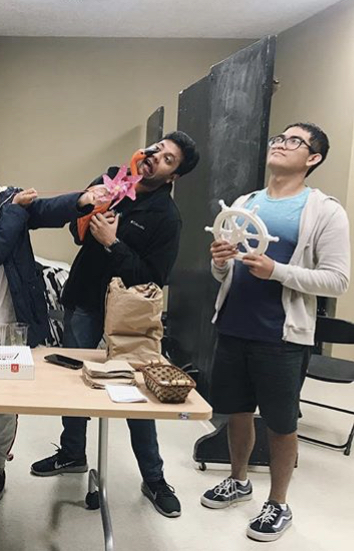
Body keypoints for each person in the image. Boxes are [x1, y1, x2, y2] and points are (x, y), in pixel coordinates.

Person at [30, 131, 200, 520]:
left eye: (168, 160)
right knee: (73, 384)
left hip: (130, 315)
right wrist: (92, 215)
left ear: (174, 176)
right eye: (157, 149)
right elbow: (75, 232)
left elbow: (155, 277)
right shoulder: (110, 179)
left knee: (137, 392)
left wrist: (113, 242)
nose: (156, 157)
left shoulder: (166, 217)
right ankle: (72, 453)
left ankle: (154, 478)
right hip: (85, 299)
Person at [203, 123, 349, 542]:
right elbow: (225, 272)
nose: (282, 145)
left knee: (282, 423)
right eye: (279, 139)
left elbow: (337, 280)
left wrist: (277, 272)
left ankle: (278, 503)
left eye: (294, 142)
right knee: (236, 411)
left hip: (282, 337)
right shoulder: (247, 203)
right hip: (232, 326)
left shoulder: (324, 210)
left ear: (313, 158)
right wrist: (219, 261)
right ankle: (238, 480)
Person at [0, 154, 107, 503]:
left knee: (7, 402)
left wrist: (82, 200)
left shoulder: (9, 198)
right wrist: (14, 209)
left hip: (15, 323)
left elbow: (42, 209)